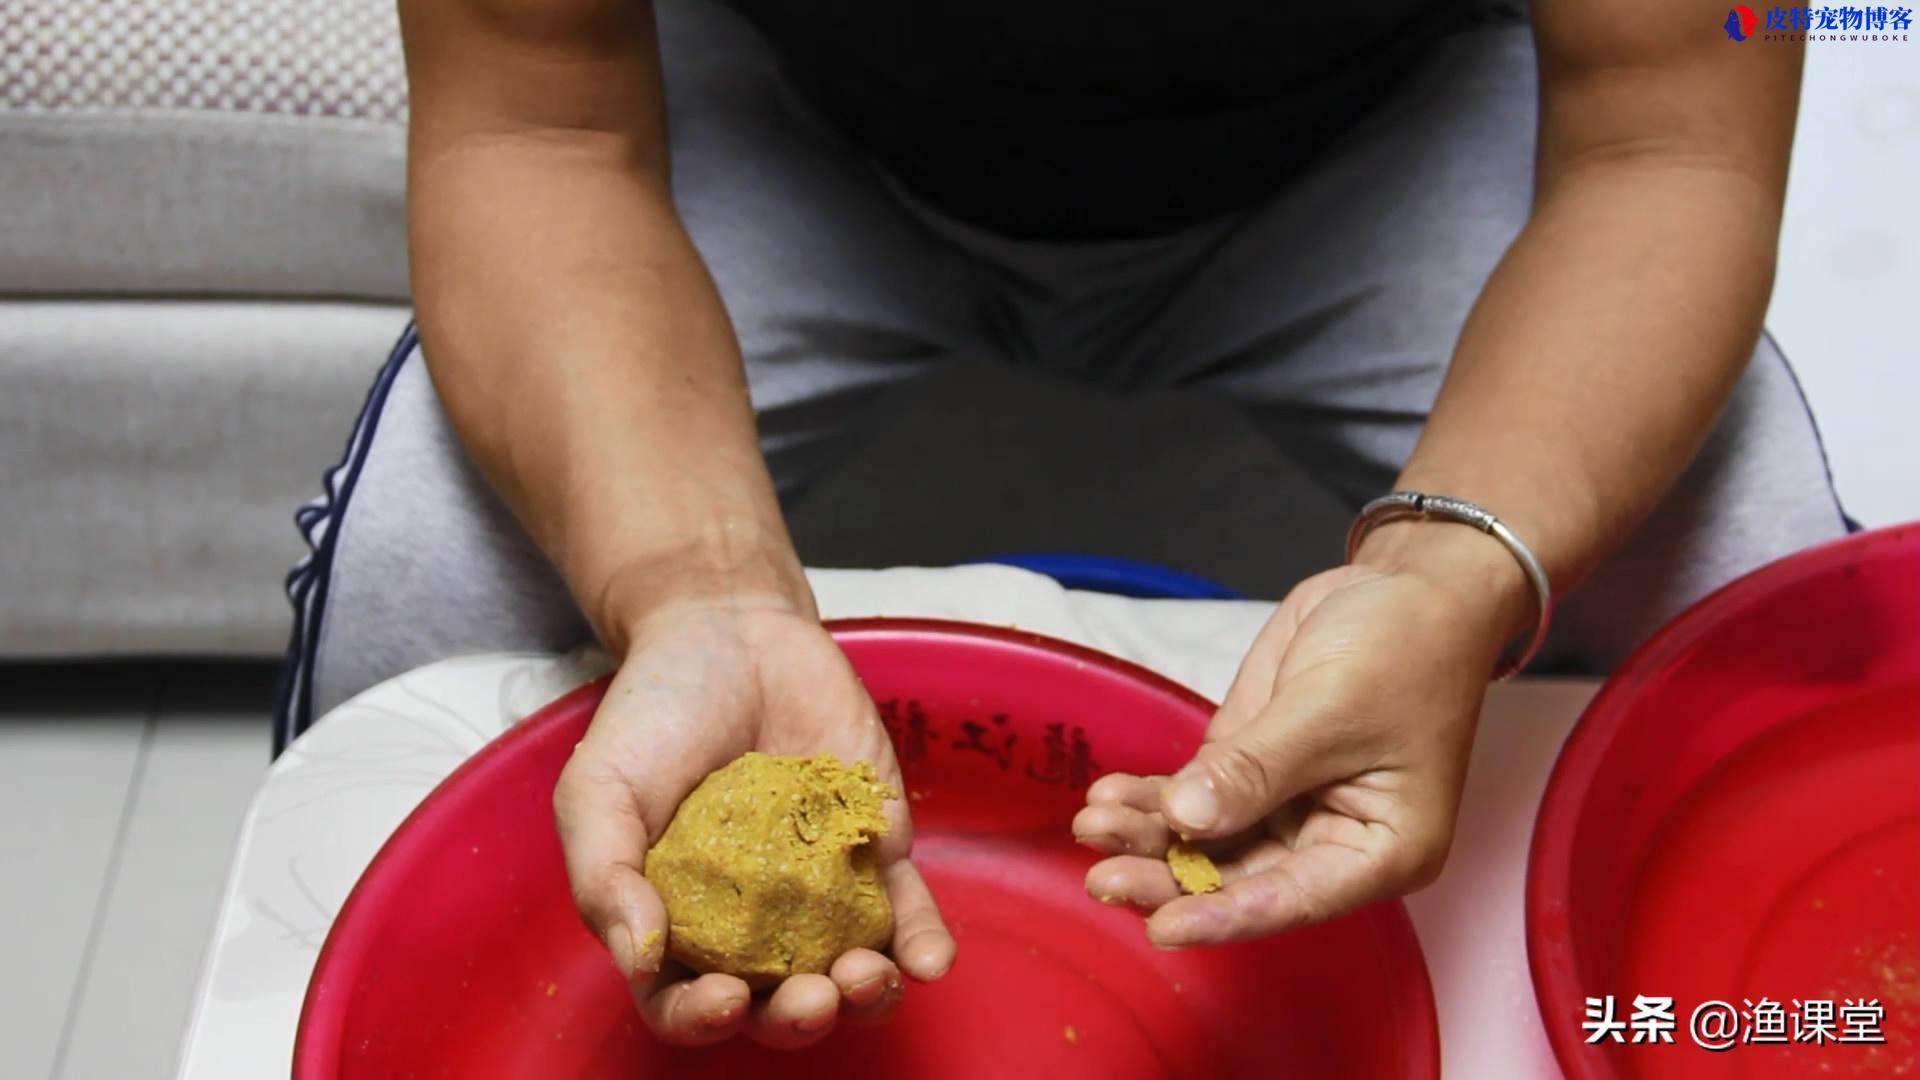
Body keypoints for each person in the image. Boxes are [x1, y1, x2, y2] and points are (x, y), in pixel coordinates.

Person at [276, 0, 1848, 1050]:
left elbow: (1677, 144)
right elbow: (530, 132)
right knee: (412, 565)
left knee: (1761, 588)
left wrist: (1456, 560)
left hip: (1380, 146)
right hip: (800, 135)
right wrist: (695, 584)